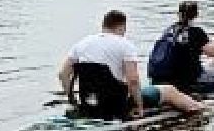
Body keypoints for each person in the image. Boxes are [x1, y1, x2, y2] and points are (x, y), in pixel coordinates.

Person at [58, 9, 202, 120]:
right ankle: (199, 109)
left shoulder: (82, 43)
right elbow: (133, 80)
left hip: (89, 102)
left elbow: (63, 74)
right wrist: (140, 107)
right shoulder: (124, 45)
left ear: (103, 25)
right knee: (169, 90)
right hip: (117, 104)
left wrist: (73, 101)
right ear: (122, 27)